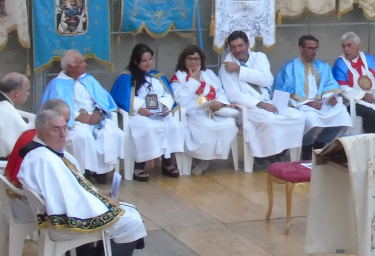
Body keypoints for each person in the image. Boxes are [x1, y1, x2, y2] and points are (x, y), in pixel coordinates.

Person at [18, 106, 146, 256]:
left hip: (57, 215)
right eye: (56, 129)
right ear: (40, 132)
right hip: (62, 226)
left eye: (65, 128)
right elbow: (69, 201)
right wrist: (106, 204)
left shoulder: (44, 152)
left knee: (130, 211)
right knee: (131, 221)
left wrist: (99, 195)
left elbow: (73, 191)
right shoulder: (45, 160)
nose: (62, 134)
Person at [218, 30, 305, 170]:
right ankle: (268, 157)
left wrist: (239, 69)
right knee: (270, 121)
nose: (237, 50)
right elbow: (234, 95)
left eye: (240, 45)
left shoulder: (260, 57)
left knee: (298, 116)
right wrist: (260, 104)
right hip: (247, 107)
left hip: (268, 102)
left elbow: (266, 80)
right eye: (233, 47)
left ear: (248, 44)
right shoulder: (226, 67)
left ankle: (282, 152)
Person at [41, 49, 124, 185]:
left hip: (97, 119)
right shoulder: (56, 84)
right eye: (81, 62)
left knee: (113, 134)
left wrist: (98, 112)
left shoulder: (89, 79)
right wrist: (78, 116)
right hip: (72, 123)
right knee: (82, 136)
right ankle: (84, 172)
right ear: (70, 67)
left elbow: (103, 100)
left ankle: (102, 171)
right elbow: (54, 108)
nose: (85, 65)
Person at [110, 44, 183, 181]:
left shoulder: (157, 76)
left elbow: (167, 95)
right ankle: (139, 166)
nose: (148, 63)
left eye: (150, 59)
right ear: (136, 61)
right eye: (144, 60)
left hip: (159, 113)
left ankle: (168, 162)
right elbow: (124, 97)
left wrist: (165, 107)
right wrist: (140, 109)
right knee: (147, 128)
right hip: (139, 114)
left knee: (174, 125)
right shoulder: (127, 77)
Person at [274, 35, 351, 159]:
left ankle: (320, 143)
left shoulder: (322, 66)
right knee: (310, 118)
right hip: (301, 104)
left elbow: (329, 83)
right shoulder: (290, 67)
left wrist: (329, 96)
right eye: (310, 48)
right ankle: (306, 147)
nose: (313, 51)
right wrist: (309, 103)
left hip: (322, 103)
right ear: (301, 48)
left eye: (315, 48)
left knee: (343, 114)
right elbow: (286, 90)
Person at [170, 44, 239, 175]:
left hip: (214, 110)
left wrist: (220, 102)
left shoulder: (209, 74)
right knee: (206, 128)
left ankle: (209, 159)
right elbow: (180, 100)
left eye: (196, 58)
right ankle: (202, 159)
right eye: (190, 59)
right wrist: (194, 81)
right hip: (194, 113)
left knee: (228, 125)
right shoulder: (178, 77)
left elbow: (220, 92)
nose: (194, 62)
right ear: (184, 60)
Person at [332, 32, 375, 134]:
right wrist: (363, 95)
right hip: (355, 101)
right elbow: (342, 88)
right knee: (370, 114)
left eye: (349, 45)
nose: (346, 49)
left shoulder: (369, 59)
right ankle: (374, 143)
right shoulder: (340, 63)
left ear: (358, 46)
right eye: (343, 46)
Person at [0, 72, 31, 158]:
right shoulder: (8, 112)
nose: (28, 94)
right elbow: (21, 145)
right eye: (27, 90)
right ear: (17, 93)